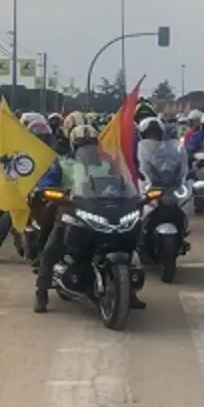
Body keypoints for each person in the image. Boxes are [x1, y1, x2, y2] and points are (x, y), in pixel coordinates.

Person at [33, 124, 146, 313]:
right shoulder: (62, 163)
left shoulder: (108, 163)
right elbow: (48, 183)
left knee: (127, 242)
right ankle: (41, 291)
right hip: (71, 210)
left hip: (104, 208)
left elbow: (123, 182)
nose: (88, 148)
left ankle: (129, 292)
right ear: (73, 145)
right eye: (82, 144)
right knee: (53, 247)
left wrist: (131, 194)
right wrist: (52, 191)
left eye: (91, 144)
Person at [0, 118, 52, 263]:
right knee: (6, 221)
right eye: (38, 137)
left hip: (46, 194)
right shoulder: (23, 152)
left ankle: (46, 257)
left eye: (44, 137)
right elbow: (14, 168)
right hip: (24, 193)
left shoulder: (53, 154)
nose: (41, 140)